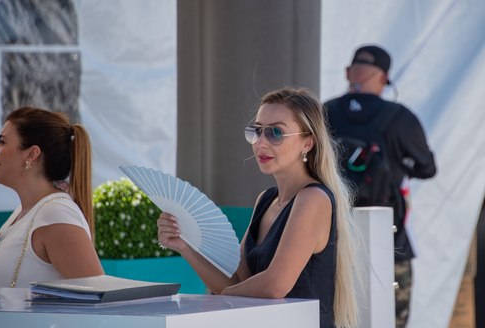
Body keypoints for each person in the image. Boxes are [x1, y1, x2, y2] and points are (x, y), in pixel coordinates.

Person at [158, 87, 359, 328]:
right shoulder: (266, 200)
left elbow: (275, 285)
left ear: (308, 143)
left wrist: (220, 300)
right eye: (257, 131)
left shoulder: (313, 199)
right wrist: (185, 247)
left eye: (276, 132)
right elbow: (236, 283)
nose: (261, 143)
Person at [324, 44, 437, 327]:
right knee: (390, 316)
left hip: (332, 234)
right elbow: (428, 168)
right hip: (389, 237)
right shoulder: (399, 117)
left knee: (336, 316)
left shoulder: (324, 112)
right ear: (385, 78)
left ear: (348, 73)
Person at [0, 107, 104, 290]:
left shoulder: (56, 214)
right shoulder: (26, 212)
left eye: (2, 142)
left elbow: (97, 298)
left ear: (32, 154)